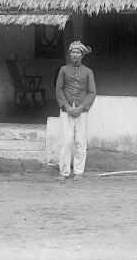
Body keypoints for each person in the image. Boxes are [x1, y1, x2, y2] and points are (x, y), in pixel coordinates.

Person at [55, 41, 96, 182]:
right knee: (66, 141)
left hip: (81, 111)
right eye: (72, 52)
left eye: (78, 52)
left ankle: (78, 172)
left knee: (80, 141)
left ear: (82, 55)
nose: (75, 54)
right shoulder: (64, 70)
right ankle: (64, 172)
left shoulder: (88, 72)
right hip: (66, 110)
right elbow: (59, 89)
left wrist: (81, 107)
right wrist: (66, 106)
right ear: (69, 53)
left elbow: (91, 92)